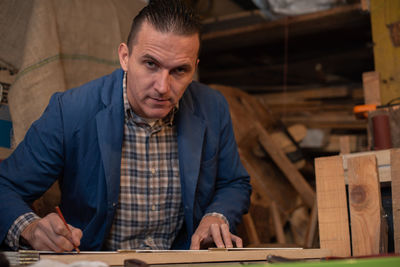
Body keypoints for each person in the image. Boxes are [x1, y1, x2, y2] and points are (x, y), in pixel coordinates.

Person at [0, 0, 251, 252]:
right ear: (125, 57)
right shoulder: (71, 111)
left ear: (194, 68)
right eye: (151, 64)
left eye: (179, 70)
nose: (162, 87)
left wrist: (218, 215)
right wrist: (30, 228)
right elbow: (5, 186)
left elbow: (234, 183)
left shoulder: (212, 107)